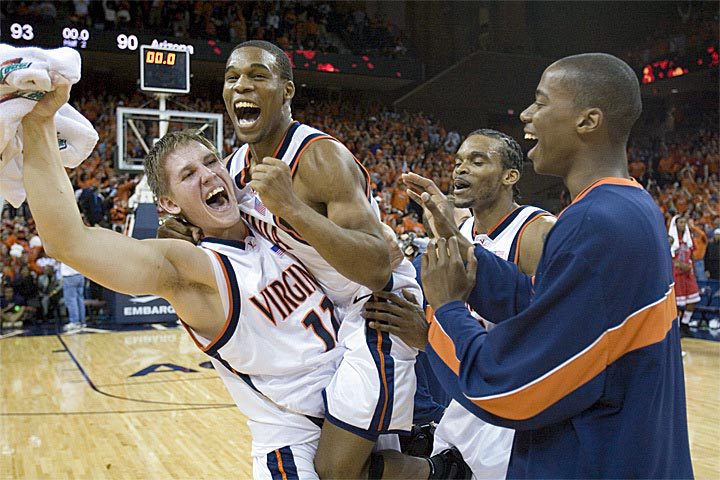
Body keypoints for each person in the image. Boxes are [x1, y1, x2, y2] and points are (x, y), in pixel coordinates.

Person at [377, 53, 693, 477]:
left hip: (595, 460)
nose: (526, 114)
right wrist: (458, 246)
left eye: (541, 102)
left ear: (588, 121)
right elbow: (548, 306)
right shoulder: (630, 205)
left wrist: (443, 314)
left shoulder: (590, 222)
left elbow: (511, 391)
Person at [20, 90, 346, 479]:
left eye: (211, 162)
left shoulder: (274, 221)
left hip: (360, 413)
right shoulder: (194, 269)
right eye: (188, 175)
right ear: (169, 204)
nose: (207, 174)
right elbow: (69, 242)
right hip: (299, 446)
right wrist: (37, 124)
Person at [218, 40, 455, 479]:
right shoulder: (234, 170)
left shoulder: (320, 158)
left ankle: (443, 471)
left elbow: (376, 266)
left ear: (286, 91)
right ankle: (425, 445)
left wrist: (292, 208)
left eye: (257, 75)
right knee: (344, 455)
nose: (241, 86)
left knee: (334, 469)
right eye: (232, 77)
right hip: (324, 316)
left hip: (376, 305)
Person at [368, 129, 555, 478]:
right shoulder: (459, 233)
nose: (460, 169)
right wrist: (422, 333)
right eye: (458, 162)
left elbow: (547, 337)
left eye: (476, 161)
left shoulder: (537, 232)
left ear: (509, 176)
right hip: (462, 407)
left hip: (513, 419)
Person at [670, 215, 701, 328]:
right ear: (675, 224)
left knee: (693, 300)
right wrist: (679, 265)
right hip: (676, 274)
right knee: (676, 303)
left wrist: (694, 271)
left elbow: (692, 254)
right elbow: (669, 258)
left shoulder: (689, 238)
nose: (683, 224)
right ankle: (676, 327)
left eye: (684, 222)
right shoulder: (671, 239)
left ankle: (685, 323)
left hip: (689, 273)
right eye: (681, 222)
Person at [60, 262, 86, 331]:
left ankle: (75, 322)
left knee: (71, 300)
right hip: (80, 275)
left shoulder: (65, 251)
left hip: (69, 276)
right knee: (80, 299)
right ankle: (82, 321)